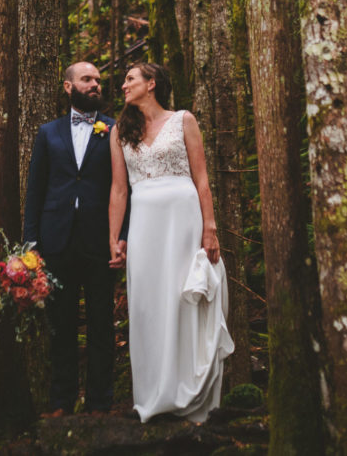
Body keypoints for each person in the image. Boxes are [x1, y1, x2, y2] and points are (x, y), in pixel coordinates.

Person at [108, 62, 233, 423]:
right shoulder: (121, 131)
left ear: (151, 84)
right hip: (145, 224)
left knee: (183, 299)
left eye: (130, 79)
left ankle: (192, 394)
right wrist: (115, 238)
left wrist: (209, 227)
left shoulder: (183, 120)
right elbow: (118, 190)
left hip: (183, 220)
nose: (123, 86)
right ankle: (152, 396)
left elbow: (202, 178)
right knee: (148, 303)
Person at [23, 61, 126, 416]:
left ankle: (100, 403)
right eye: (87, 79)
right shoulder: (47, 133)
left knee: (101, 324)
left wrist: (121, 238)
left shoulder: (114, 129)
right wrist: (31, 246)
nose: (95, 84)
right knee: (61, 327)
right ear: (69, 87)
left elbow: (125, 188)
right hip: (56, 242)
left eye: (98, 79)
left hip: (101, 242)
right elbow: (35, 191)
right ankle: (61, 403)